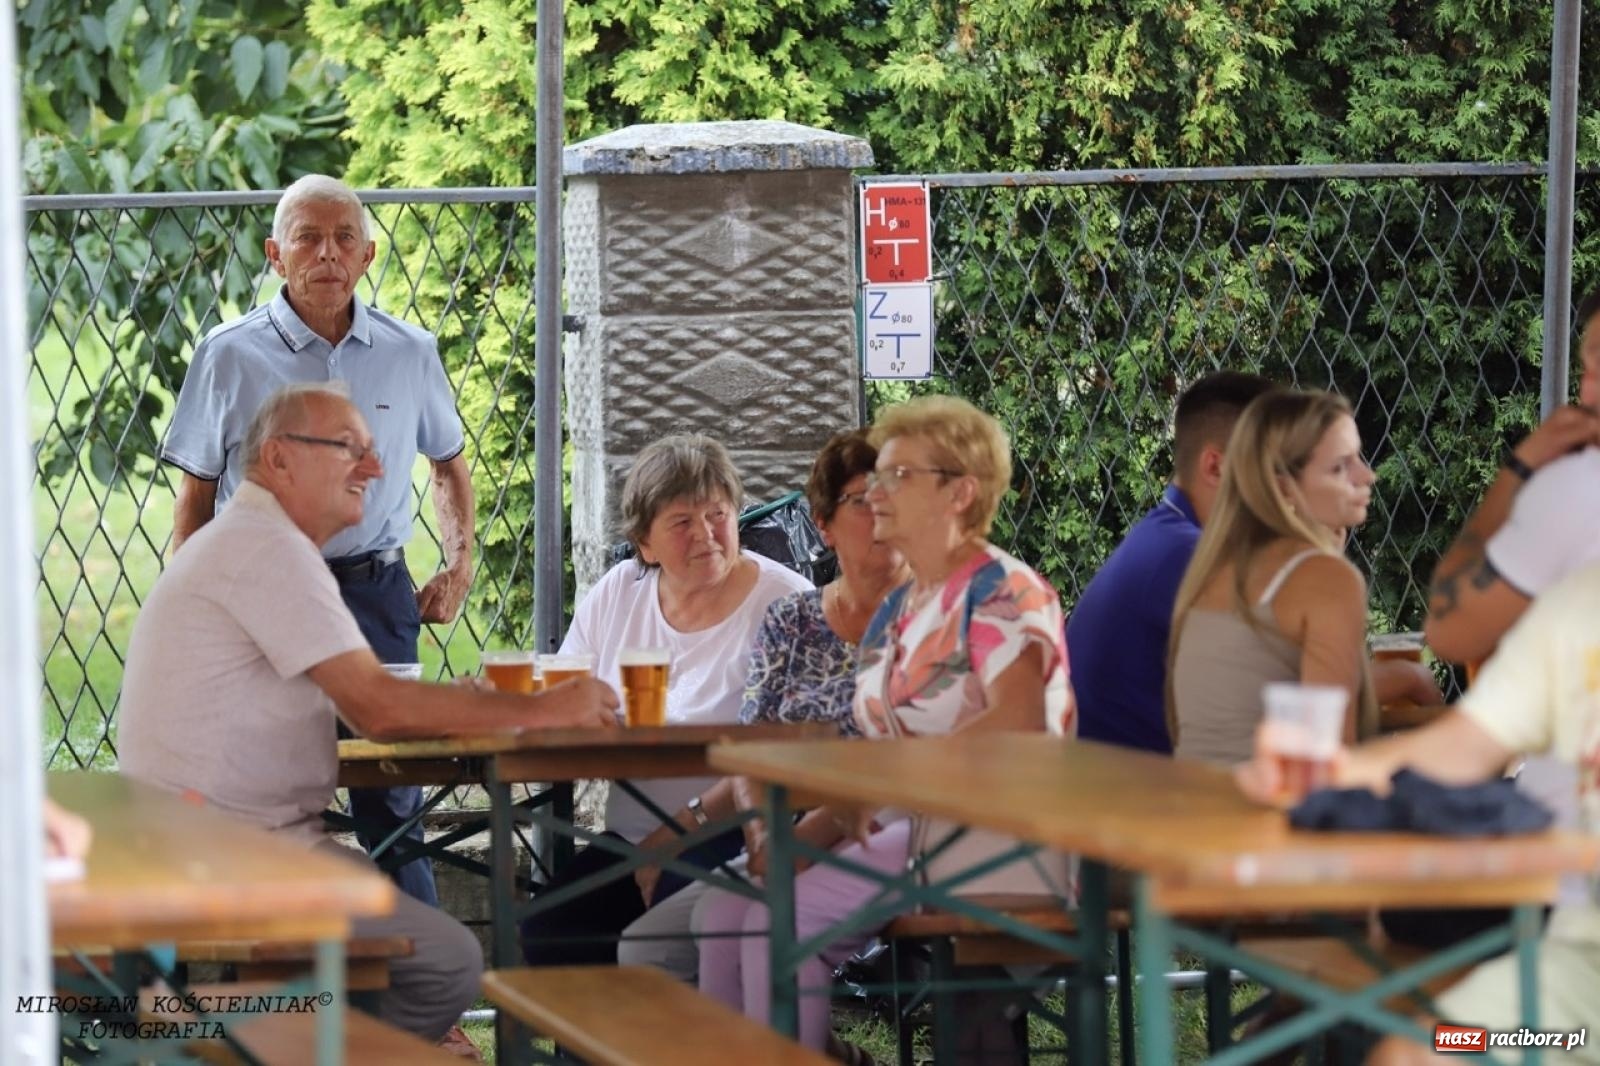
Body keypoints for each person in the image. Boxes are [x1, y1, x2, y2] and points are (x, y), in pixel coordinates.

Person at [119, 383, 618, 1047]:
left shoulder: (258, 542)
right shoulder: (269, 549)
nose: (377, 469)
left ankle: (264, 1037)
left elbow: (356, 698)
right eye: (348, 448)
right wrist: (543, 707)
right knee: (446, 963)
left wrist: (469, 703)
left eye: (374, 451)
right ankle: (203, 1026)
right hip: (227, 850)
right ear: (278, 460)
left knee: (370, 948)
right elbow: (380, 709)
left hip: (208, 839)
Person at [695, 396, 1072, 1059]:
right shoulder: (908, 603)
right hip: (910, 824)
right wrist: (800, 835)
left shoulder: (1003, 591)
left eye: (899, 478)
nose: (879, 496)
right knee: (728, 915)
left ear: (960, 493)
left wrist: (845, 813)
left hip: (992, 832)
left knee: (782, 926)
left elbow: (1018, 725)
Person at [159, 174, 474, 908]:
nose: (327, 253)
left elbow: (449, 465)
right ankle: (273, 994)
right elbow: (196, 496)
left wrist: (458, 565)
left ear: (367, 256)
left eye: (344, 239)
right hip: (262, 594)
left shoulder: (411, 351)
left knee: (394, 800)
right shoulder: (228, 355)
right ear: (276, 254)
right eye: (308, 237)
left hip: (375, 592)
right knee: (258, 794)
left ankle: (429, 1003)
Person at [1235, 562, 1600, 1066]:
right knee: (1427, 1050)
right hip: (1576, 1007)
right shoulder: (1578, 612)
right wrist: (1324, 769)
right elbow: (1459, 747)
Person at [615, 429, 910, 989]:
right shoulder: (794, 620)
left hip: (886, 829)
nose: (884, 513)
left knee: (746, 927)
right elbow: (755, 757)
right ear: (823, 526)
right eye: (861, 501)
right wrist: (759, 842)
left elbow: (909, 765)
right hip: (778, 833)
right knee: (644, 947)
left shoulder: (941, 613)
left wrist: (784, 849)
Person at [519, 433, 812, 968]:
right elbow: (567, 694)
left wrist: (674, 834)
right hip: (633, 836)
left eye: (717, 514)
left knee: (659, 935)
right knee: (546, 933)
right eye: (682, 522)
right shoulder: (619, 593)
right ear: (645, 544)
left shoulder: (785, 604)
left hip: (736, 833)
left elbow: (792, 758)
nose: (706, 535)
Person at [1421, 288, 1600, 881]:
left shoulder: (1577, 490)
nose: (1588, 393)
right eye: (1585, 370)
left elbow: (1450, 633)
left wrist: (1520, 469)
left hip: (1560, 875)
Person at [1168, 388, 1386, 765]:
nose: (1367, 475)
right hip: (1265, 817)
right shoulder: (1327, 579)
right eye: (1340, 467)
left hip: (1189, 810)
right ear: (1284, 488)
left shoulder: (1212, 569)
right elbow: (1331, 762)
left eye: (1359, 458)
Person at [1067, 371, 1273, 753]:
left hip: (1114, 789)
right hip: (1136, 802)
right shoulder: (1190, 556)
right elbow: (1292, 699)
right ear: (1216, 467)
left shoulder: (1166, 536)